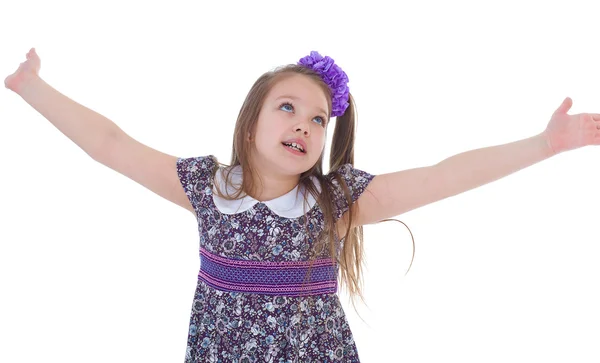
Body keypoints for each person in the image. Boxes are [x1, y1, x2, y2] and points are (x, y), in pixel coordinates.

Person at [5, 48, 600, 363]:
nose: (305, 125)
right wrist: (32, 88)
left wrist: (544, 144)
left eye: (318, 118)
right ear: (251, 122)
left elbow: (443, 176)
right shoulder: (207, 189)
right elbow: (110, 144)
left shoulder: (334, 200)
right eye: (287, 107)